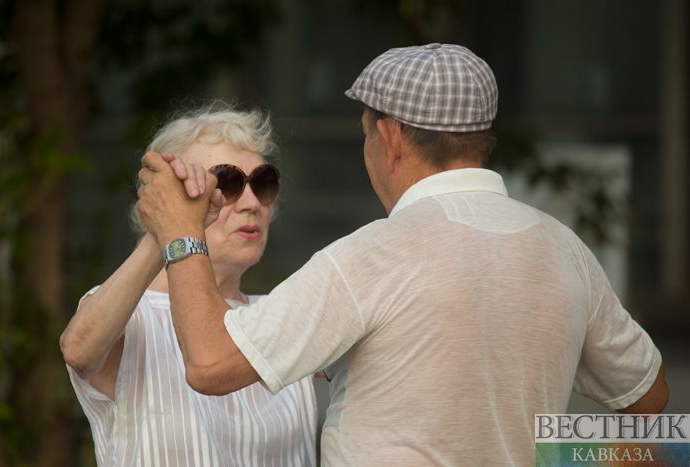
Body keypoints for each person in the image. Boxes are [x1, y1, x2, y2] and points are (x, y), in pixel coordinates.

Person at [136, 45, 669, 465]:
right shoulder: (564, 249)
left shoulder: (372, 256)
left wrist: (181, 231)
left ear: (389, 137)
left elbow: (209, 364)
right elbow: (650, 401)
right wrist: (546, 453)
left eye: (366, 132)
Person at [60, 106, 318, 467]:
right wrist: (169, 225)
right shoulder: (132, 314)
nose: (251, 204)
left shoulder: (284, 312)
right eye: (225, 184)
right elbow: (78, 350)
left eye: (262, 184)